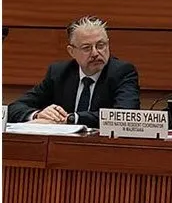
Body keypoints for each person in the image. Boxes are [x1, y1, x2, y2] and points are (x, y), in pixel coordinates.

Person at [7, 16, 140, 127]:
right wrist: (37, 115)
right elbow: (14, 108)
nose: (95, 53)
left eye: (101, 45)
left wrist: (71, 118)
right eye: (86, 48)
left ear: (108, 44)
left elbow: (125, 115)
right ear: (72, 51)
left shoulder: (122, 72)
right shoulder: (59, 73)